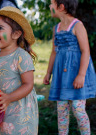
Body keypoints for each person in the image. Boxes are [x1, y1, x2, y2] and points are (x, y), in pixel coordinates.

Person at [0, 6, 38, 134]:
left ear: (16, 34)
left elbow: (28, 84)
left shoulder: (21, 56)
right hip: (0, 110)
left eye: (0, 28)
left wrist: (9, 97)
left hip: (19, 113)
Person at [43, 0, 96, 134]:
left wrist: (81, 75)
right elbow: (54, 51)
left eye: (52, 4)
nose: (50, 6)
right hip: (62, 75)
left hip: (77, 73)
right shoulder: (56, 28)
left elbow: (85, 51)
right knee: (62, 110)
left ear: (61, 7)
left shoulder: (77, 25)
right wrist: (48, 73)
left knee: (78, 108)